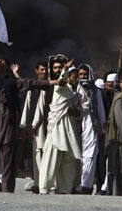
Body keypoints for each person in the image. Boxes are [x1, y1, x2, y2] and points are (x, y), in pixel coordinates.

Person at [0, 28, 64, 193]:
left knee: (8, 156)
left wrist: (54, 83)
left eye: (3, 61)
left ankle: (7, 188)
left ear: (8, 67)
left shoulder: (12, 82)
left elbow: (32, 83)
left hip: (8, 122)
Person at [38, 62, 82, 195]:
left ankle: (65, 189)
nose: (76, 79)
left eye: (77, 77)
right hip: (58, 128)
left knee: (69, 160)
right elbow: (61, 81)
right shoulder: (62, 88)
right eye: (74, 77)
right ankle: (44, 188)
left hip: (70, 129)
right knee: (51, 159)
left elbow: (80, 110)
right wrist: (65, 69)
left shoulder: (76, 93)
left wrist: (76, 112)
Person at [75, 63, 107, 195]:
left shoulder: (96, 91)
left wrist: (102, 128)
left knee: (90, 154)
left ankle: (86, 185)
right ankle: (75, 183)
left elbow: (100, 110)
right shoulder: (73, 89)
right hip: (76, 122)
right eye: (80, 74)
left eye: (85, 74)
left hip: (91, 124)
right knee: (77, 154)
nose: (83, 77)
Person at [19, 61, 47, 192]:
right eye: (41, 70)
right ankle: (36, 180)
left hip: (47, 124)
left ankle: (46, 182)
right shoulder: (33, 87)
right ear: (37, 71)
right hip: (34, 127)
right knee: (35, 153)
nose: (44, 72)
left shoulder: (51, 86)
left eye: (45, 70)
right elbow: (27, 106)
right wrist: (24, 126)